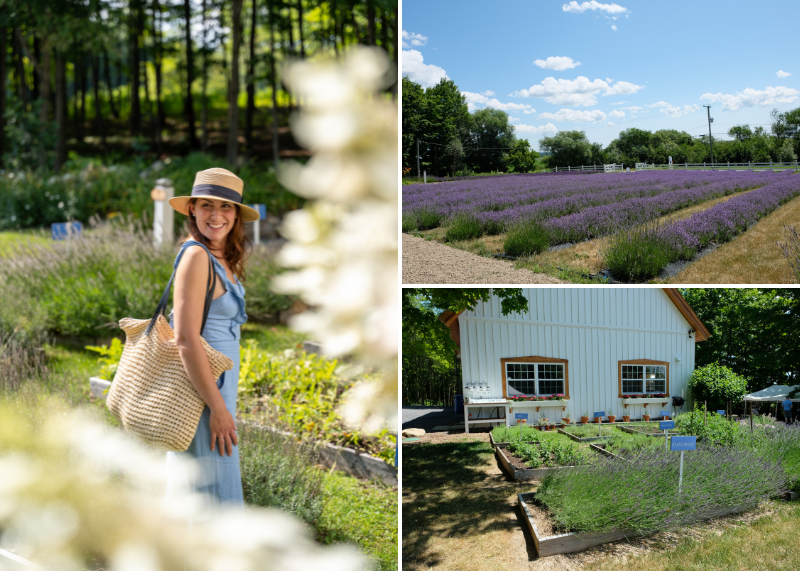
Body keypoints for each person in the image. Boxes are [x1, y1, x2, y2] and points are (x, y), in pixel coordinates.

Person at [163, 167, 260, 508]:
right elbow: (185, 339)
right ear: (192, 208)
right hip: (203, 395)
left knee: (211, 491)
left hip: (218, 391)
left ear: (236, 214)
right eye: (207, 205)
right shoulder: (195, 255)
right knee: (211, 497)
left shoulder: (221, 255)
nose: (216, 215)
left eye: (226, 207)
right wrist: (218, 409)